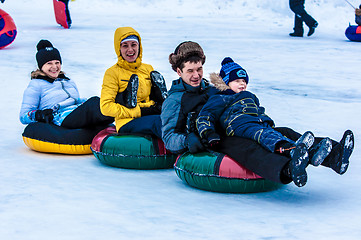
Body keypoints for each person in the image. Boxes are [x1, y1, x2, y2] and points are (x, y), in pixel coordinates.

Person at [161, 41, 354, 187]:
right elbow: (169, 137)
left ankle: (334, 155)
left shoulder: (212, 88)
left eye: (199, 69)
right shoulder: (175, 100)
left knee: (283, 131)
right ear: (178, 71)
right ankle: (287, 168)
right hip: (213, 139)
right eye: (190, 71)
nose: (196, 75)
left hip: (236, 126)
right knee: (245, 146)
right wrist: (189, 140)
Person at [20, 39, 114, 129]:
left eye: (57, 62)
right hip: (60, 118)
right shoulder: (36, 84)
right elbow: (24, 115)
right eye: (49, 63)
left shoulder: (68, 81)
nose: (54, 67)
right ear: (41, 66)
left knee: (106, 102)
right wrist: (39, 115)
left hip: (75, 113)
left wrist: (83, 102)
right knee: (95, 102)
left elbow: (76, 100)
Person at [100, 27, 167, 139]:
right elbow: (105, 107)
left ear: (139, 47)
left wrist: (158, 103)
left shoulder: (148, 69)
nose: (130, 50)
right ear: (119, 49)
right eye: (125, 45)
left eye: (133, 45)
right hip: (127, 121)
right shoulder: (112, 73)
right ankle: (181, 150)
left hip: (151, 113)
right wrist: (138, 111)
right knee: (158, 122)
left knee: (173, 119)